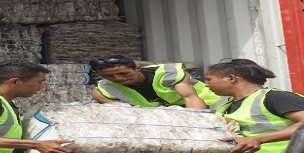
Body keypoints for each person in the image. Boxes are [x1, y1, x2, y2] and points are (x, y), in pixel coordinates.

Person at [89, 55, 222, 109]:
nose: (118, 79)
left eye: (123, 73)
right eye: (109, 76)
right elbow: (125, 112)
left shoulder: (169, 73)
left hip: (192, 107)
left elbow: (190, 98)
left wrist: (200, 125)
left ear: (137, 68)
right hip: (157, 116)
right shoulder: (104, 90)